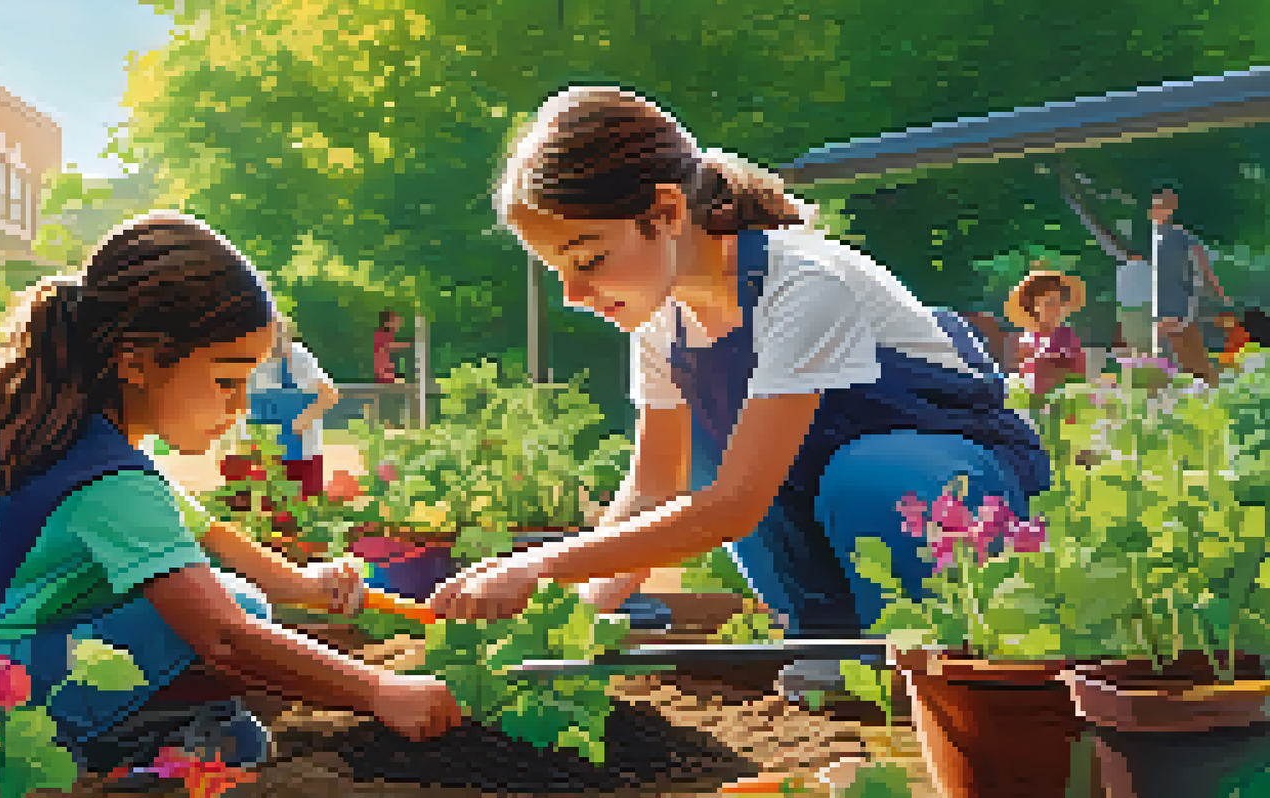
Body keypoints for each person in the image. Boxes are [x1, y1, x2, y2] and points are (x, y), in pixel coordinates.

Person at [428, 86, 1050, 697]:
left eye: (588, 260)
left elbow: (735, 504)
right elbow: (653, 489)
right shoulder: (662, 320)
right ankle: (830, 641)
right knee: (715, 459)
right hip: (825, 516)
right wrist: (570, 620)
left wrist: (538, 566)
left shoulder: (803, 285)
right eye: (556, 271)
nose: (571, 294)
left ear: (667, 213)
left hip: (958, 499)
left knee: (861, 472)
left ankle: (949, 650)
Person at [0, 212, 460, 781]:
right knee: (231, 622)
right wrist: (378, 691)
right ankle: (137, 745)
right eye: (226, 381)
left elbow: (212, 538)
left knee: (233, 600)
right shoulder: (111, 483)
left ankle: (153, 724)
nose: (241, 404)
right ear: (136, 365)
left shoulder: (76, 440)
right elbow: (222, 639)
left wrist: (310, 587)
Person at [244, 316, 341, 499]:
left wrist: (302, 420)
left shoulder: (298, 357)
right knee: (262, 511)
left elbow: (329, 394)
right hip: (260, 452)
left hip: (301, 452)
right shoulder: (247, 359)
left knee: (303, 509)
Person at [1150, 187, 1229, 386]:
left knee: (1185, 347)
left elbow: (1203, 263)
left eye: (1161, 206)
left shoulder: (1180, 236)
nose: (1155, 210)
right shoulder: (1154, 237)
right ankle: (1204, 387)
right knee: (1182, 350)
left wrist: (1218, 292)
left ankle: (1208, 386)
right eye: (1154, 205)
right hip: (1162, 303)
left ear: (1170, 209)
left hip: (1180, 301)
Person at [1005, 268, 1087, 408]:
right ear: (1035, 307)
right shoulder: (1028, 337)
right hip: (1034, 393)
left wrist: (1059, 358)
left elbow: (1078, 366)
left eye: (1060, 304)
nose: (1056, 309)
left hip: (1062, 391)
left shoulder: (1066, 334)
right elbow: (1021, 368)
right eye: (1049, 304)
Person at [373, 309, 412, 384]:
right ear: (386, 323)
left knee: (401, 380)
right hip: (384, 374)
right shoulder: (381, 335)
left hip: (390, 372)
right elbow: (390, 346)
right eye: (395, 321)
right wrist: (409, 344)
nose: (398, 324)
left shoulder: (389, 335)